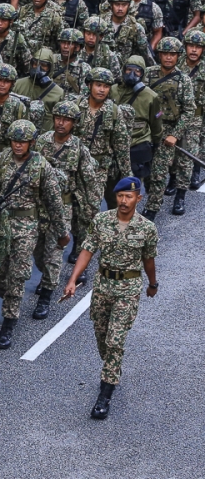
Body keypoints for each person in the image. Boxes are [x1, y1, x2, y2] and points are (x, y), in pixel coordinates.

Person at [63, 177, 158, 420]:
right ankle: (112, 365)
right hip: (103, 285)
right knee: (102, 336)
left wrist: (152, 283)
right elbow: (87, 249)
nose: (124, 201)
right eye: (120, 196)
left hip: (128, 287)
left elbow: (149, 259)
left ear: (139, 198)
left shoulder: (146, 228)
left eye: (129, 196)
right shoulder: (102, 220)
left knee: (115, 340)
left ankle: (104, 395)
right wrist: (73, 279)